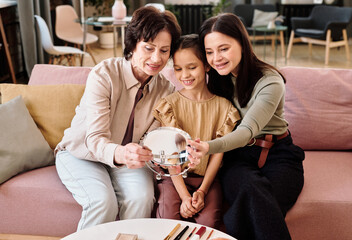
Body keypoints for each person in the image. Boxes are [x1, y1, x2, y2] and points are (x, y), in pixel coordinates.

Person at [54, 6, 196, 230]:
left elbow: (154, 140)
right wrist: (122, 153)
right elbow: (95, 139)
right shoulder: (104, 75)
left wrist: (179, 153)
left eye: (164, 50)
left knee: (141, 198)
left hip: (128, 161)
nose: (156, 58)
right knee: (103, 202)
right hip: (82, 154)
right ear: (133, 44)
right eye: (148, 48)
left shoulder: (165, 89)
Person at [186, 13, 305, 240]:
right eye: (209, 52)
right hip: (237, 157)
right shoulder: (219, 79)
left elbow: (247, 131)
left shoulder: (270, 81)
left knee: (257, 204)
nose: (216, 58)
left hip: (279, 154)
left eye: (224, 49)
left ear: (242, 42)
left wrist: (207, 147)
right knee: (251, 191)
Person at [152, 34, 241, 229]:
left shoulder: (224, 107)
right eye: (178, 69)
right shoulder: (169, 105)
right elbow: (171, 157)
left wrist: (202, 191)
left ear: (207, 66)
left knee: (209, 224)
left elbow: (217, 155)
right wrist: (185, 197)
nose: (185, 75)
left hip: (208, 180)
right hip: (174, 179)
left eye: (192, 67)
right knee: (168, 220)